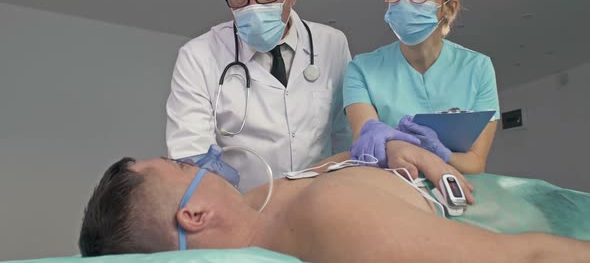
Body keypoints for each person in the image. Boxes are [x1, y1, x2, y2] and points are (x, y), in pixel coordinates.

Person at [79, 153, 590, 262]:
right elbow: (530, 257)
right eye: (185, 168)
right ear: (193, 216)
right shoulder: (337, 222)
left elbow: (337, 164)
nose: (204, 164)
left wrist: (379, 146)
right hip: (537, 214)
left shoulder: (257, 203)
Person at [166, 0, 352, 190]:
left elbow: (343, 134)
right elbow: (191, 152)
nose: (253, 7)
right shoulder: (198, 55)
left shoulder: (332, 43)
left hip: (319, 203)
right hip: (243, 207)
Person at [344, 0, 499, 175]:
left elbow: (475, 163)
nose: (404, 2)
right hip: (392, 190)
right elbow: (369, 147)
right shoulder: (361, 70)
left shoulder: (478, 68)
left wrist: (441, 152)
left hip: (456, 188)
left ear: (449, 8)